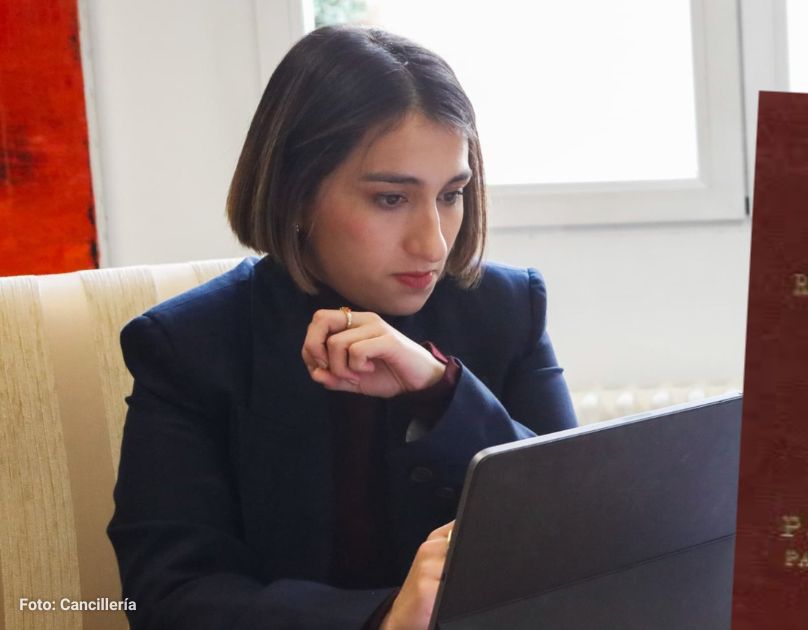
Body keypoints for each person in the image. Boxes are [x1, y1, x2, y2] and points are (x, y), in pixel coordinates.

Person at [108, 25, 578, 630]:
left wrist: (440, 390)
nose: (433, 243)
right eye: (391, 199)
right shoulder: (187, 346)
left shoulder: (508, 308)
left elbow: (582, 528)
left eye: (451, 194)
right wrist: (381, 618)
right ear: (297, 193)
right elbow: (164, 597)